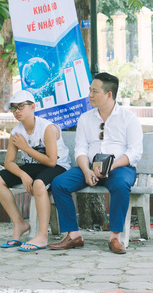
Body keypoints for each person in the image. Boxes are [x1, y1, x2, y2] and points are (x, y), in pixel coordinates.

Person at [49, 72, 143, 254]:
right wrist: (86, 171)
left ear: (109, 94)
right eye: (89, 90)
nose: (90, 95)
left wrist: (110, 166)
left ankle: (115, 237)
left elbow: (135, 152)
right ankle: (74, 235)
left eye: (94, 91)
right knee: (60, 183)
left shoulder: (128, 118)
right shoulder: (86, 118)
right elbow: (81, 150)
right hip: (90, 167)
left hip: (120, 167)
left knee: (121, 185)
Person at [0, 90, 70, 252]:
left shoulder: (47, 128)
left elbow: (51, 160)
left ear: (33, 107)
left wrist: (25, 148)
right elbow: (9, 163)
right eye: (13, 108)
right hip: (33, 167)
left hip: (57, 166)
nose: (16, 111)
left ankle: (42, 236)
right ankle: (20, 223)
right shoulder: (17, 131)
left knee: (39, 184)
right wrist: (23, 175)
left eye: (21, 107)